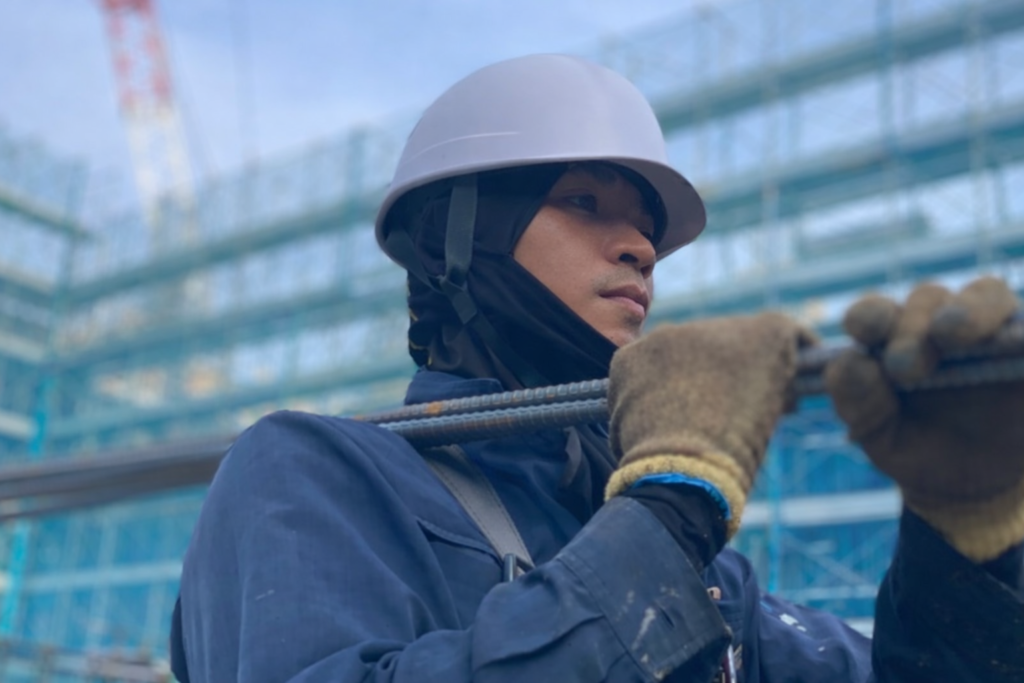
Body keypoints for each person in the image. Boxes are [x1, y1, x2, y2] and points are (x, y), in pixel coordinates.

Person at [169, 54, 1024, 682]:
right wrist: (669, 512)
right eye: (584, 201)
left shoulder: (707, 571)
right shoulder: (316, 473)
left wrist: (970, 544)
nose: (643, 246)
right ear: (453, 240)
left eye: (647, 223)